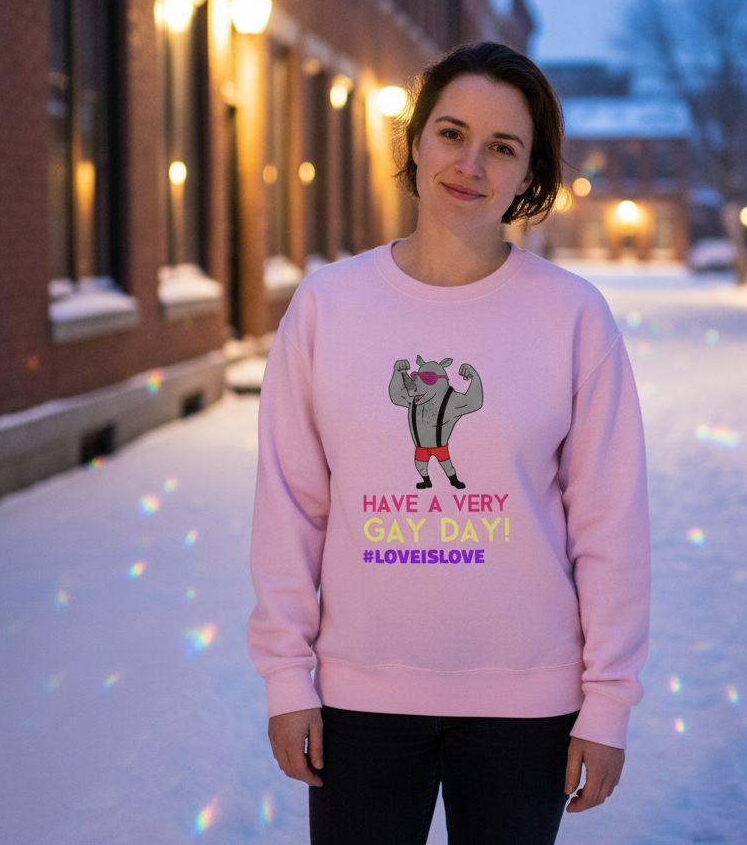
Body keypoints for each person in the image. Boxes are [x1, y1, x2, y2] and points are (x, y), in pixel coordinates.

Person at [247, 41, 650, 845]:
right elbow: (290, 506)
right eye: (453, 133)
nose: (470, 165)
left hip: (527, 705)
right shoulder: (329, 305)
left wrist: (608, 701)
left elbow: (610, 524)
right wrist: (287, 676)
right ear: (416, 141)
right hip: (358, 698)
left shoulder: (572, 316)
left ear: (530, 172)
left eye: (502, 147)